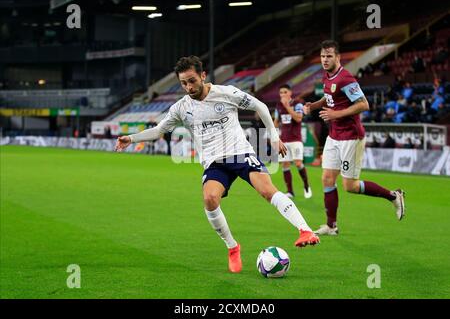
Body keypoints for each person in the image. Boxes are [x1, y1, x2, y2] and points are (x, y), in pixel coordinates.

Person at [115, 55, 319, 273]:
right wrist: (132, 138)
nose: (188, 87)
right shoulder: (181, 108)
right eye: (183, 83)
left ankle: (305, 230)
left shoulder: (226, 93)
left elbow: (259, 105)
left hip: (240, 153)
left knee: (268, 191)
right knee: (209, 198)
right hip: (214, 163)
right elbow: (159, 130)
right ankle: (232, 247)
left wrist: (274, 136)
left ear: (203, 76)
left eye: (192, 80)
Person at [303, 40, 405, 236]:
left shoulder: (346, 79)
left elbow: (363, 104)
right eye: (323, 56)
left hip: (351, 136)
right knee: (326, 178)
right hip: (334, 135)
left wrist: (335, 114)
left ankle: (393, 195)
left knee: (350, 185)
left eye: (329, 56)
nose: (325, 60)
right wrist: (314, 106)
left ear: (338, 57)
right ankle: (331, 226)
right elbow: (330, 97)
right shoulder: (327, 77)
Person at [273, 84, 312, 199]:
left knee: (298, 163)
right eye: (281, 92)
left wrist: (287, 107)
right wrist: (275, 137)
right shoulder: (278, 106)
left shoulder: (297, 104)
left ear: (290, 93)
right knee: (285, 165)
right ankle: (290, 191)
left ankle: (306, 186)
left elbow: (299, 118)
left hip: (295, 139)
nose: (283, 94)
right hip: (284, 140)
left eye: (285, 92)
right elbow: (276, 121)